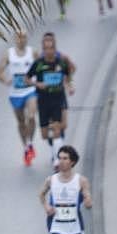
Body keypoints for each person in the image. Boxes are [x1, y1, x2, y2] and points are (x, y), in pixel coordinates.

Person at [26, 33, 75, 168]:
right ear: (43, 49)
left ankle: (56, 159)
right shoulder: (38, 63)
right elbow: (27, 79)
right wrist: (37, 84)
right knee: (44, 134)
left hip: (58, 98)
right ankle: (55, 149)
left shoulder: (61, 62)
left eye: (51, 48)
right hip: (43, 100)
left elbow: (69, 73)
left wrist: (69, 86)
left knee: (57, 127)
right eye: (46, 48)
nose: (48, 51)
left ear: (54, 49)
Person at [0, 31, 38, 166]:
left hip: (30, 90)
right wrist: (6, 81)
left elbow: (42, 67)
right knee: (21, 122)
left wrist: (37, 81)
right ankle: (25, 147)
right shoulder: (9, 54)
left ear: (27, 38)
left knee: (31, 117)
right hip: (15, 93)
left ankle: (30, 143)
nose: (22, 39)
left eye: (24, 37)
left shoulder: (33, 52)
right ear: (15, 39)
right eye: (19, 37)